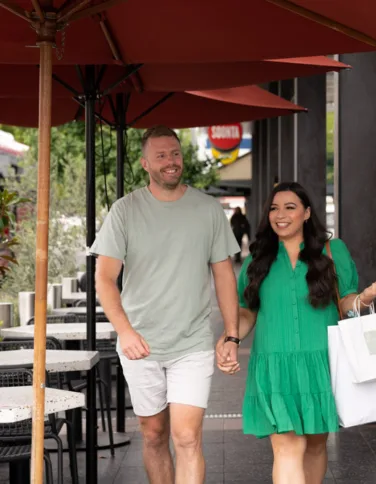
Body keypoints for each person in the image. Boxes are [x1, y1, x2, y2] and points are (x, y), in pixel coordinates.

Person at [91, 125, 241, 484]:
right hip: (140, 344)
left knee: (187, 437)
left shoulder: (207, 210)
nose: (171, 162)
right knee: (154, 434)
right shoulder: (125, 211)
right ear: (145, 163)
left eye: (175, 154)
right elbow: (104, 279)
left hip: (191, 344)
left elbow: (224, 277)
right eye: (161, 156)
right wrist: (124, 332)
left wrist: (232, 336)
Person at [218, 182, 376, 484]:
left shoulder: (332, 251)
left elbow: (346, 301)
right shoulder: (257, 260)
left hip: (320, 364)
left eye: (290, 207)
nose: (280, 215)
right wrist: (231, 338)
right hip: (273, 365)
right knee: (286, 447)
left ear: (307, 213)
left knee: (314, 446)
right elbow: (247, 310)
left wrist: (365, 298)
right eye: (274, 208)